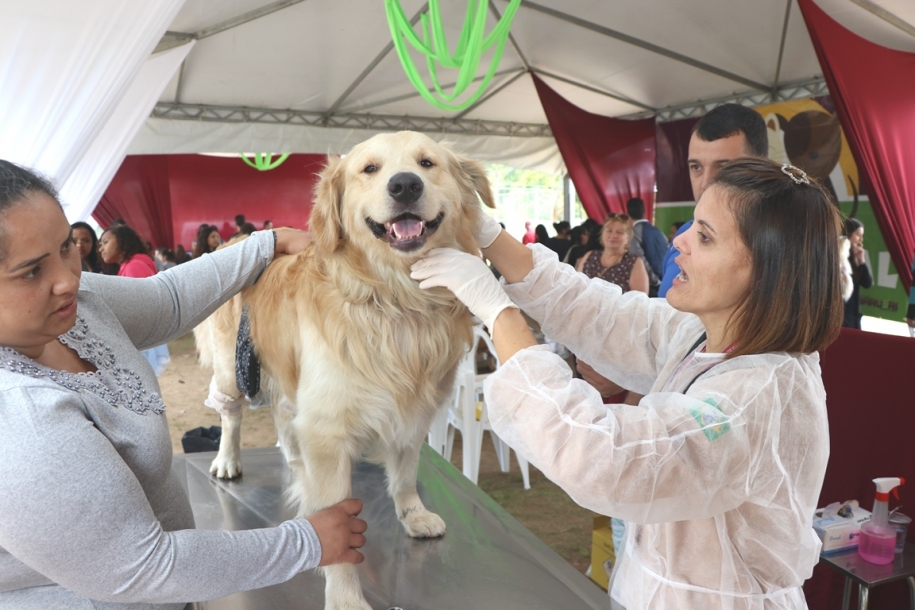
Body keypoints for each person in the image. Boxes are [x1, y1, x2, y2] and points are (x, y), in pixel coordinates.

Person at [411, 158, 844, 609]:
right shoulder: (700, 333)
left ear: (767, 271)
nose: (679, 242)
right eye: (692, 225)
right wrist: (485, 230)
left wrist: (497, 310)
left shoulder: (755, 397)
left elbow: (600, 455)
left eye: (705, 236)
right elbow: (596, 311)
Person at [0, 160, 367, 609]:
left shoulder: (71, 308)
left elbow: (164, 301)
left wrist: (264, 245)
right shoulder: (21, 421)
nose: (67, 278)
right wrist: (307, 541)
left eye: (66, 248)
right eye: (32, 272)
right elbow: (143, 568)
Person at [658, 103, 769, 298]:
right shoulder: (683, 235)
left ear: (760, 167)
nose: (706, 184)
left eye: (724, 167)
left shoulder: (780, 243)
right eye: (696, 167)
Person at [575, 214, 649, 294]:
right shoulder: (590, 256)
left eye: (619, 232)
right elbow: (576, 288)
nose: (613, 236)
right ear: (602, 234)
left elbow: (640, 301)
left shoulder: (634, 262)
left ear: (628, 237)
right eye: (609, 231)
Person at [625, 198, 668, 297]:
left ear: (628, 214)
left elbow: (638, 259)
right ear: (644, 211)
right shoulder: (658, 232)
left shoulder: (633, 233)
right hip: (664, 281)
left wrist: (655, 280)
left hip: (649, 285)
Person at [841, 217, 873, 329]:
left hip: (853, 315)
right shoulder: (838, 255)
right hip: (839, 316)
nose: (861, 239)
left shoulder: (855, 257)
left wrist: (862, 261)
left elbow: (867, 283)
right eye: (858, 235)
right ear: (848, 233)